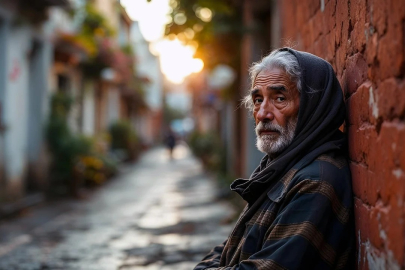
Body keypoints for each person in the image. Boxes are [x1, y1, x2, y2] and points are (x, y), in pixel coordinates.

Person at [194, 48, 355, 269]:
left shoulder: (315, 180)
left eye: (280, 98)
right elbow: (233, 244)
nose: (262, 114)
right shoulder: (282, 167)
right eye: (258, 100)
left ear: (312, 106)